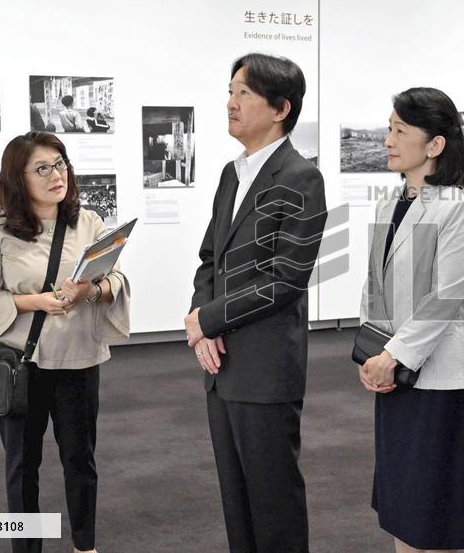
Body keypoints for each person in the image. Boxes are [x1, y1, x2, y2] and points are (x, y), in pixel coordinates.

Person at [184, 53, 327, 553]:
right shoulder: (231, 172)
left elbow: (285, 277)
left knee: (274, 503)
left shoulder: (300, 176)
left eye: (244, 93)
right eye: (230, 91)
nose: (231, 103)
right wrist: (203, 319)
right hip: (222, 364)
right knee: (236, 500)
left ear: (280, 108)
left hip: (266, 367)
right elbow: (211, 259)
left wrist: (207, 319)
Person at [0, 131, 131, 553]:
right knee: (23, 468)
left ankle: (85, 545)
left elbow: (114, 279)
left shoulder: (88, 221)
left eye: (60, 164)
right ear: (18, 178)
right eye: (42, 168)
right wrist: (37, 301)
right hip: (24, 364)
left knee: (80, 461)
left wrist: (88, 292)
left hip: (78, 361)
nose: (56, 175)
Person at [360, 87, 464, 553]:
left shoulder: (458, 209)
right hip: (393, 372)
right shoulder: (387, 204)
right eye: (389, 129)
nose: (388, 140)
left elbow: (444, 299)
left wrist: (392, 355)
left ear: (434, 145)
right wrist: (371, 353)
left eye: (400, 131)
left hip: (439, 380)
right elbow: (374, 286)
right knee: (402, 506)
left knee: (434, 513)